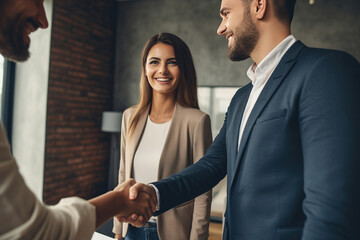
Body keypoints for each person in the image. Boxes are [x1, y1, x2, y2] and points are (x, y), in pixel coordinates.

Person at [126, 0, 360, 239]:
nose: (220, 28)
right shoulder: (241, 98)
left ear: (259, 6)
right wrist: (154, 193)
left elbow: (332, 209)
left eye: (226, 14)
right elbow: (211, 166)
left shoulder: (327, 70)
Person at [0, 0, 155, 239]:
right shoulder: (129, 116)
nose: (44, 20)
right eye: (37, 1)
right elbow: (37, 231)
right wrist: (119, 202)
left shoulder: (195, 121)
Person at [113, 32, 213, 240]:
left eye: (172, 62)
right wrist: (118, 232)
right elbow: (123, 175)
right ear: (145, 68)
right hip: (131, 230)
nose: (162, 70)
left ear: (183, 69)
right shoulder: (129, 117)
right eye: (154, 62)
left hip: (174, 234)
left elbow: (203, 190)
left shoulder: (197, 121)